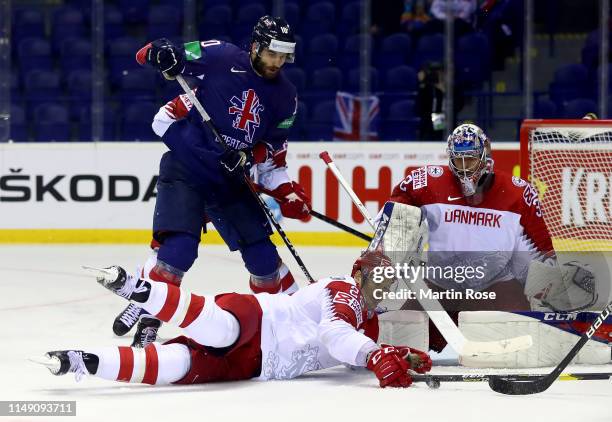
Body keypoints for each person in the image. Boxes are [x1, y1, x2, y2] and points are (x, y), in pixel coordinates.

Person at [112, 16, 312, 346]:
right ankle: (148, 319)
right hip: (187, 170)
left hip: (229, 178)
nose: (277, 61)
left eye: (283, 55)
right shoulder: (221, 56)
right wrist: (162, 53)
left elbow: (272, 149)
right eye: (272, 53)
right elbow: (150, 54)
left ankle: (268, 329)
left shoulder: (286, 97)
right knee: (177, 251)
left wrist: (256, 164)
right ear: (256, 46)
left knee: (263, 258)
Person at [36, 254, 432, 388]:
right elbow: (334, 334)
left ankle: (81, 360)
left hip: (258, 365)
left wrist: (393, 353)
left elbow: (346, 353)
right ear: (360, 275)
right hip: (258, 321)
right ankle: (135, 288)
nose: (382, 287)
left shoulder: (369, 323)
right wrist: (374, 356)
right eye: (377, 278)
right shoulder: (344, 290)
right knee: (221, 330)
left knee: (180, 367)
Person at [381, 123, 597, 352]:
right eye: (458, 160)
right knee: (398, 337)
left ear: (485, 156)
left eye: (471, 160)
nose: (464, 168)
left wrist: (555, 284)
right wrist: (397, 229)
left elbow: (544, 248)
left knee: (529, 342)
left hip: (496, 287)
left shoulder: (519, 193)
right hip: (440, 286)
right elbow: (398, 204)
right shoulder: (428, 182)